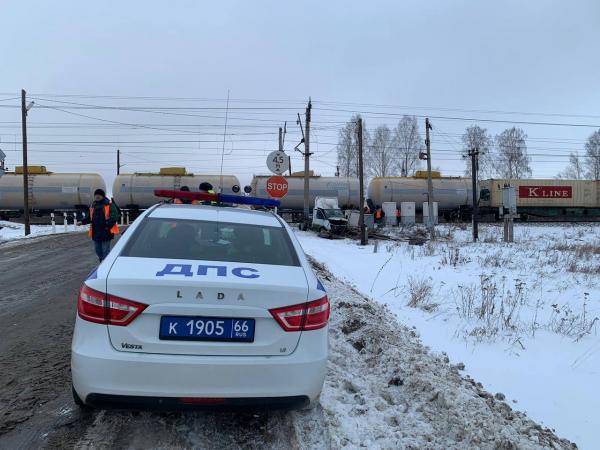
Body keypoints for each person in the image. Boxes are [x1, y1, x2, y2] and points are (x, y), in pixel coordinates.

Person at [79, 189, 119, 262]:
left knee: (105, 250)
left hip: (106, 231)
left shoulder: (109, 204)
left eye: (99, 195)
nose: (97, 196)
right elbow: (89, 217)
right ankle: (102, 261)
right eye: (96, 195)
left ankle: (105, 264)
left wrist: (108, 226)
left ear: (103, 196)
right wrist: (82, 222)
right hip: (96, 232)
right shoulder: (93, 205)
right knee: (98, 250)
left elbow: (114, 216)